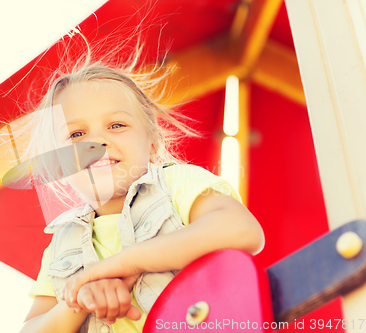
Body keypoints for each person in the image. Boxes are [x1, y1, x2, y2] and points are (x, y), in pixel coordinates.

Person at [14, 34, 265, 333]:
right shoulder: (61, 245)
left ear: (152, 142)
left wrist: (124, 264)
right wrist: (79, 299)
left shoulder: (175, 183)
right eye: (76, 135)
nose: (97, 141)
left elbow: (241, 230)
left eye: (117, 125)